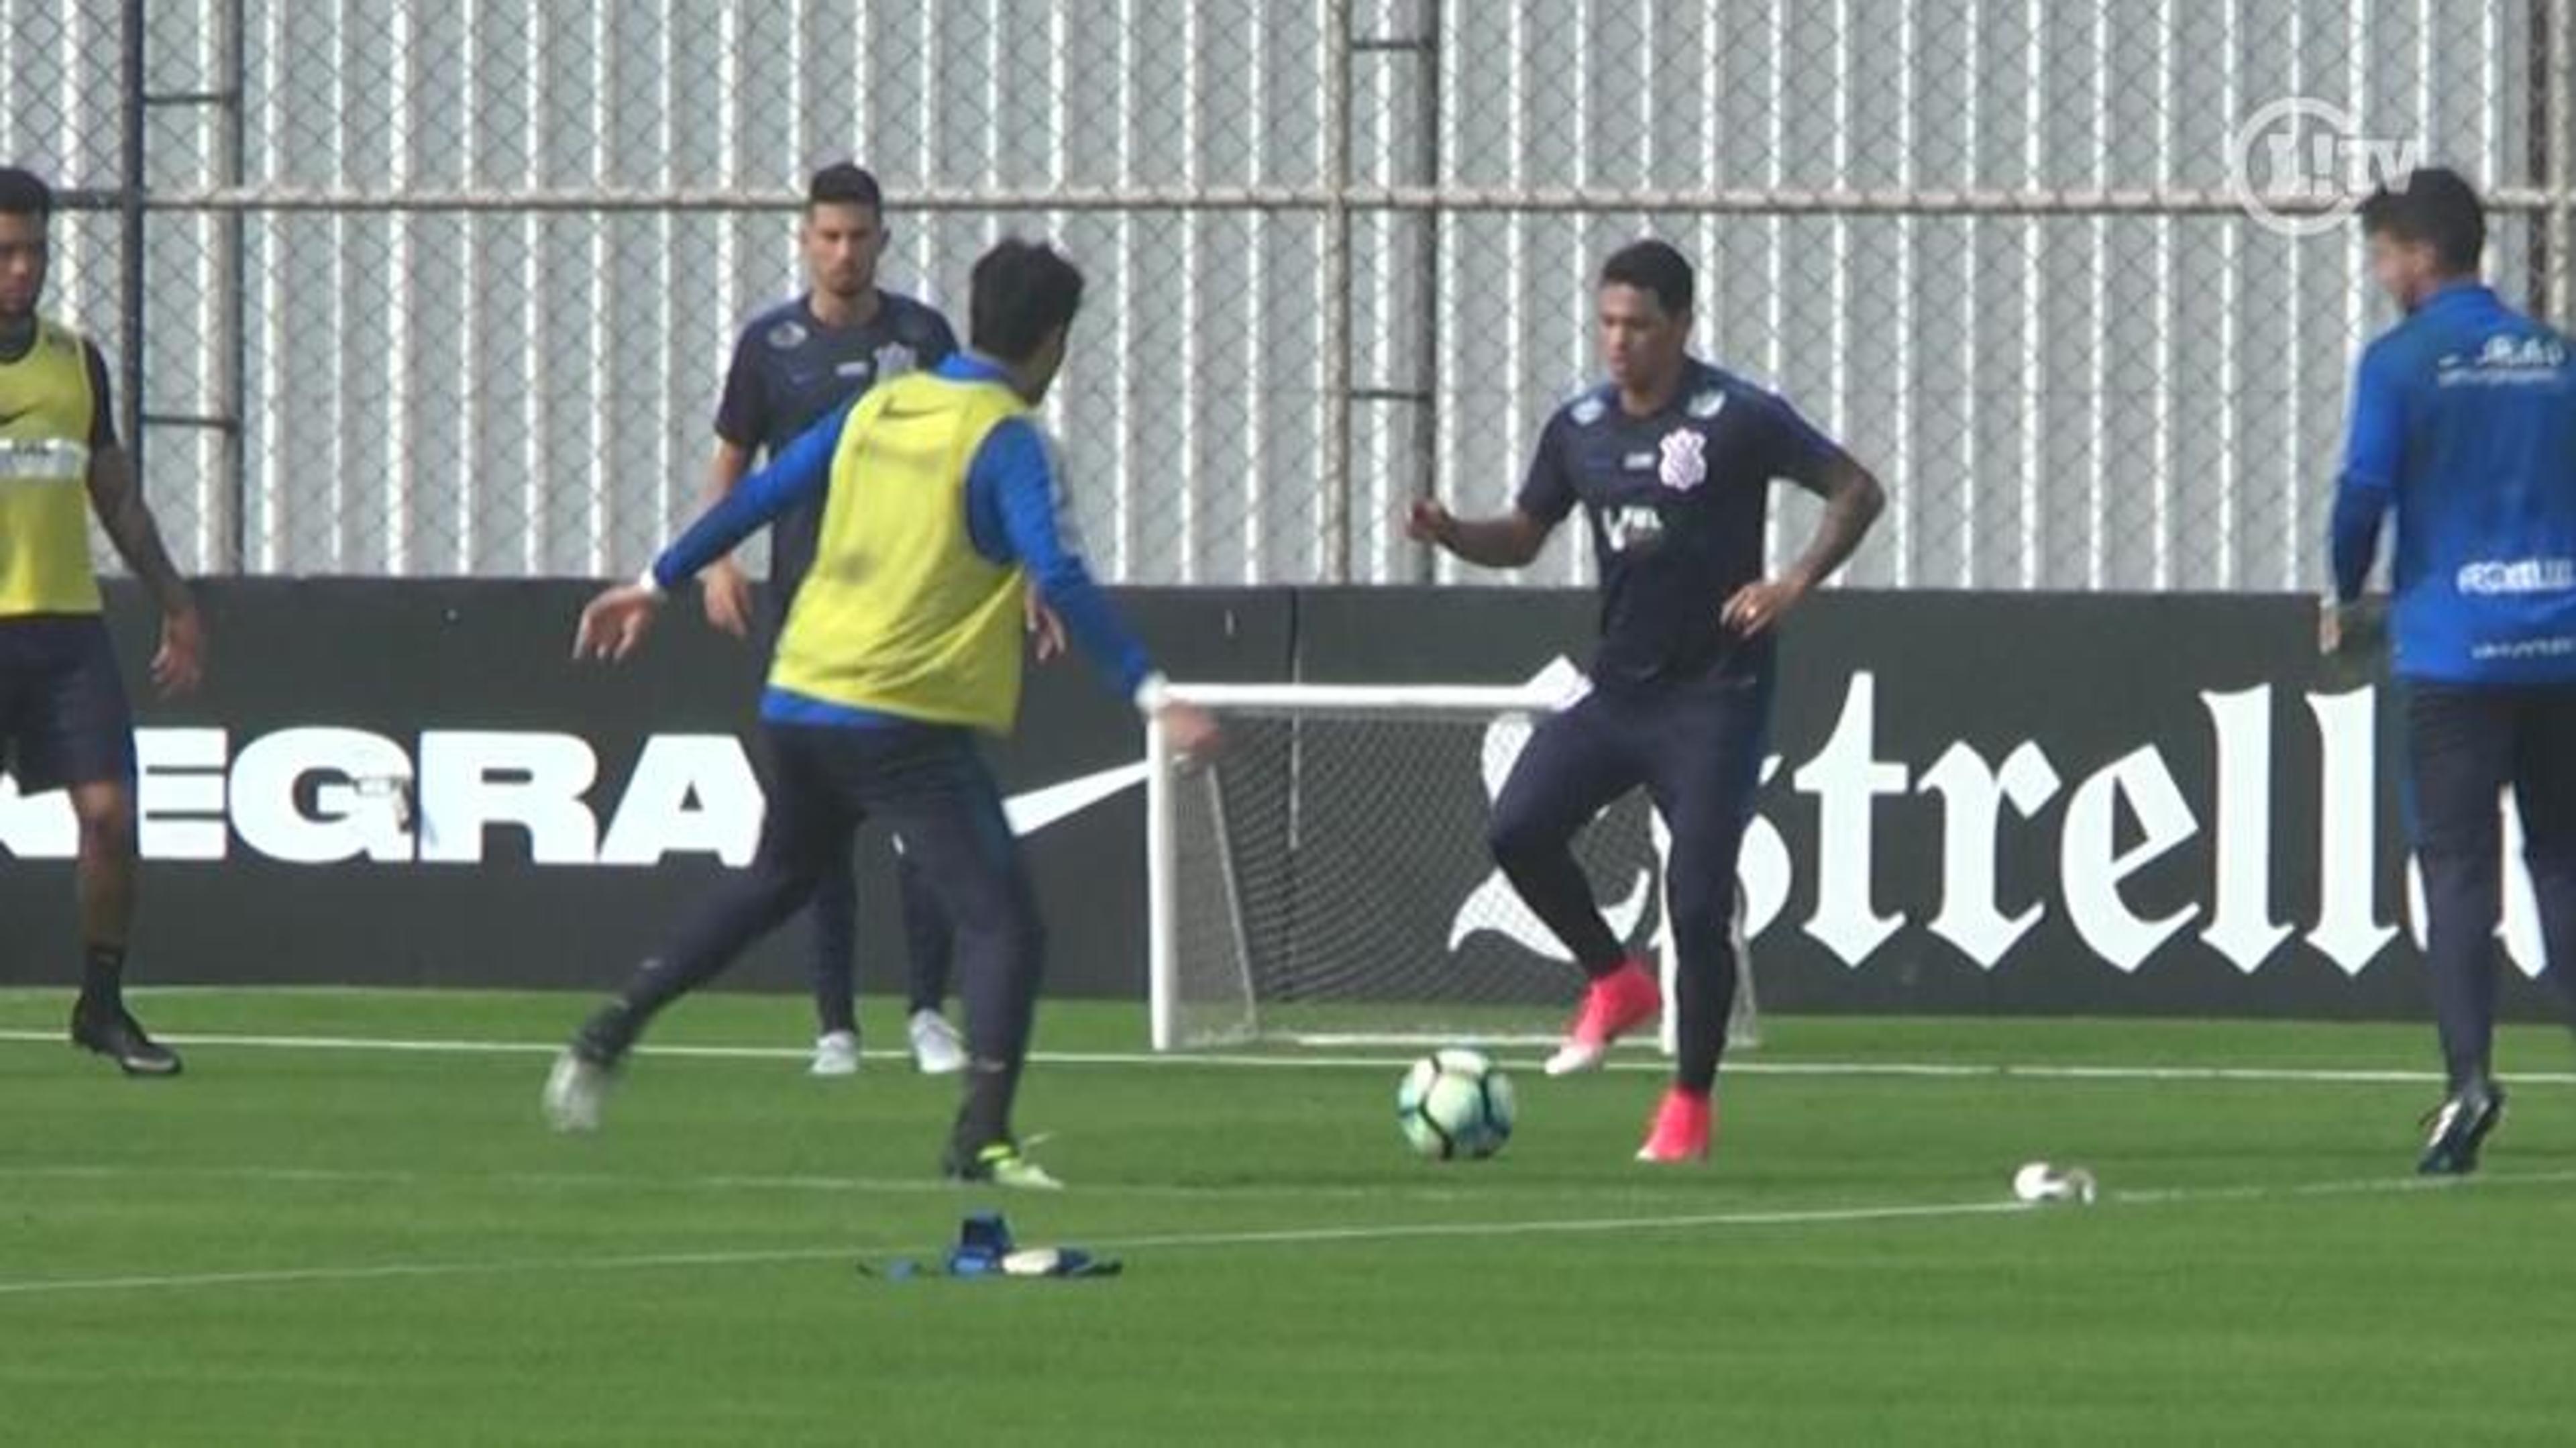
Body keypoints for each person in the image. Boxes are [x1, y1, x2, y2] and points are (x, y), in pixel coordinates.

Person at [545, 238, 1220, 1189]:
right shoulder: (1011, 437)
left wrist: (654, 581)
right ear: (1055, 341)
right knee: (1005, 923)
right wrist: (1154, 693)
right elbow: (1060, 568)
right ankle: (979, 1137)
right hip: (899, 717)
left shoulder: (883, 404)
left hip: (802, 695)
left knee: (776, 879)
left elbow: (765, 491)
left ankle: (610, 1027)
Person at [1407, 239, 1883, 1163]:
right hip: (1618, 693)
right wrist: (1453, 531)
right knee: (1517, 831)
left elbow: (1856, 490)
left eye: (1638, 325)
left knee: (1697, 902)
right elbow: (1522, 534)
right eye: (1607, 322)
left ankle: (1688, 1107)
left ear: (1681, 325)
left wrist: (1793, 582)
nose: (1617, 342)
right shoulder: (1579, 426)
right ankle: (1615, 980)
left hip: (1715, 699)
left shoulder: (1735, 417)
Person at [700, 160, 996, 1078]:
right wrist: (717, 557)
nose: (843, 252)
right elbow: (733, 461)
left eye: (859, 236)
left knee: (924, 822)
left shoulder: (922, 335)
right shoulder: (771, 345)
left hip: (911, 617)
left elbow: (974, 449)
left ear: (884, 239)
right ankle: (835, 1027)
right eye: (828, 236)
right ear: (805, 239)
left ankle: (926, 1014)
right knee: (820, 829)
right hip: (810, 619)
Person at [2322, 166, 2576, 1175]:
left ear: (2421, 254)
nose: (2380, 271)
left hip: (2453, 647)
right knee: (2563, 859)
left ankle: (2469, 1080)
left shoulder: (2402, 361)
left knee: (2460, 868)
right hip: (2561, 642)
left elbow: (2362, 495)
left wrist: (2346, 594)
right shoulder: (2556, 358)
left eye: (2383, 252)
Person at [0, 166, 207, 1076]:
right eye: (4, 252)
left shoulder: (76, 359)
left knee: (112, 816)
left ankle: (102, 1002)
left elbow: (115, 496)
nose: (21, 269)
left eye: (35, 251)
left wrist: (175, 600)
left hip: (65, 627)